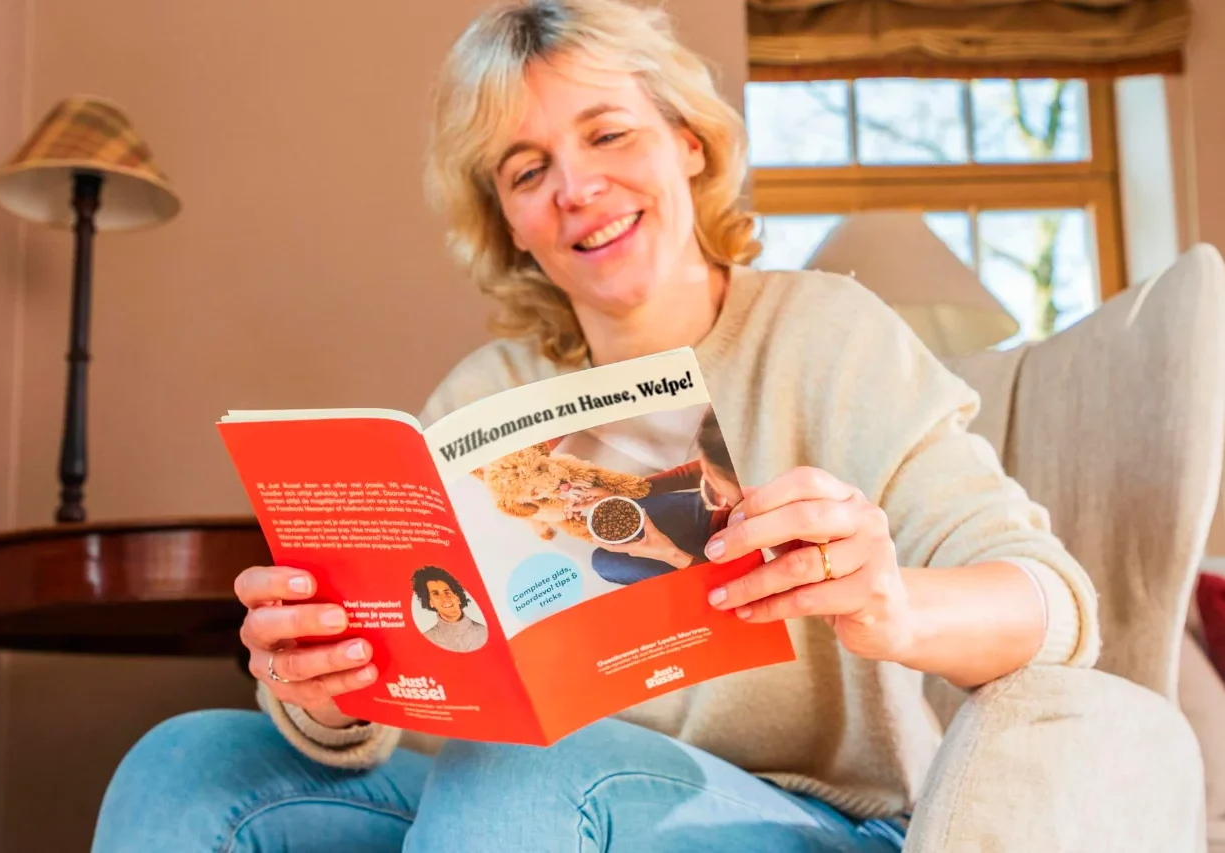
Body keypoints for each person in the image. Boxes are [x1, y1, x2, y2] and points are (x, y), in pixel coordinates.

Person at [91, 1, 1101, 850]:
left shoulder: (826, 335)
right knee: (185, 759)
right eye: (526, 171)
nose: (576, 189)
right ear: (509, 223)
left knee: (519, 776)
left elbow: (1052, 603)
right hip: (501, 796)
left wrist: (892, 604)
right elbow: (405, 701)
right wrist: (328, 689)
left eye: (609, 134)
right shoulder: (482, 393)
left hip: (799, 816)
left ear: (688, 144)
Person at [582, 407, 742, 582]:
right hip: (709, 518)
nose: (705, 489)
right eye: (706, 477)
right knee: (629, 512)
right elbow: (688, 474)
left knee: (604, 563)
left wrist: (672, 555)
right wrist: (621, 490)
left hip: (715, 567)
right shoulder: (730, 448)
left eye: (713, 489)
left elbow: (724, 582)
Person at [410, 565, 489, 653]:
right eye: (436, 594)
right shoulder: (428, 639)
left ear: (457, 597)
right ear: (430, 602)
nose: (444, 598)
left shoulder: (484, 633)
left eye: (447, 591)